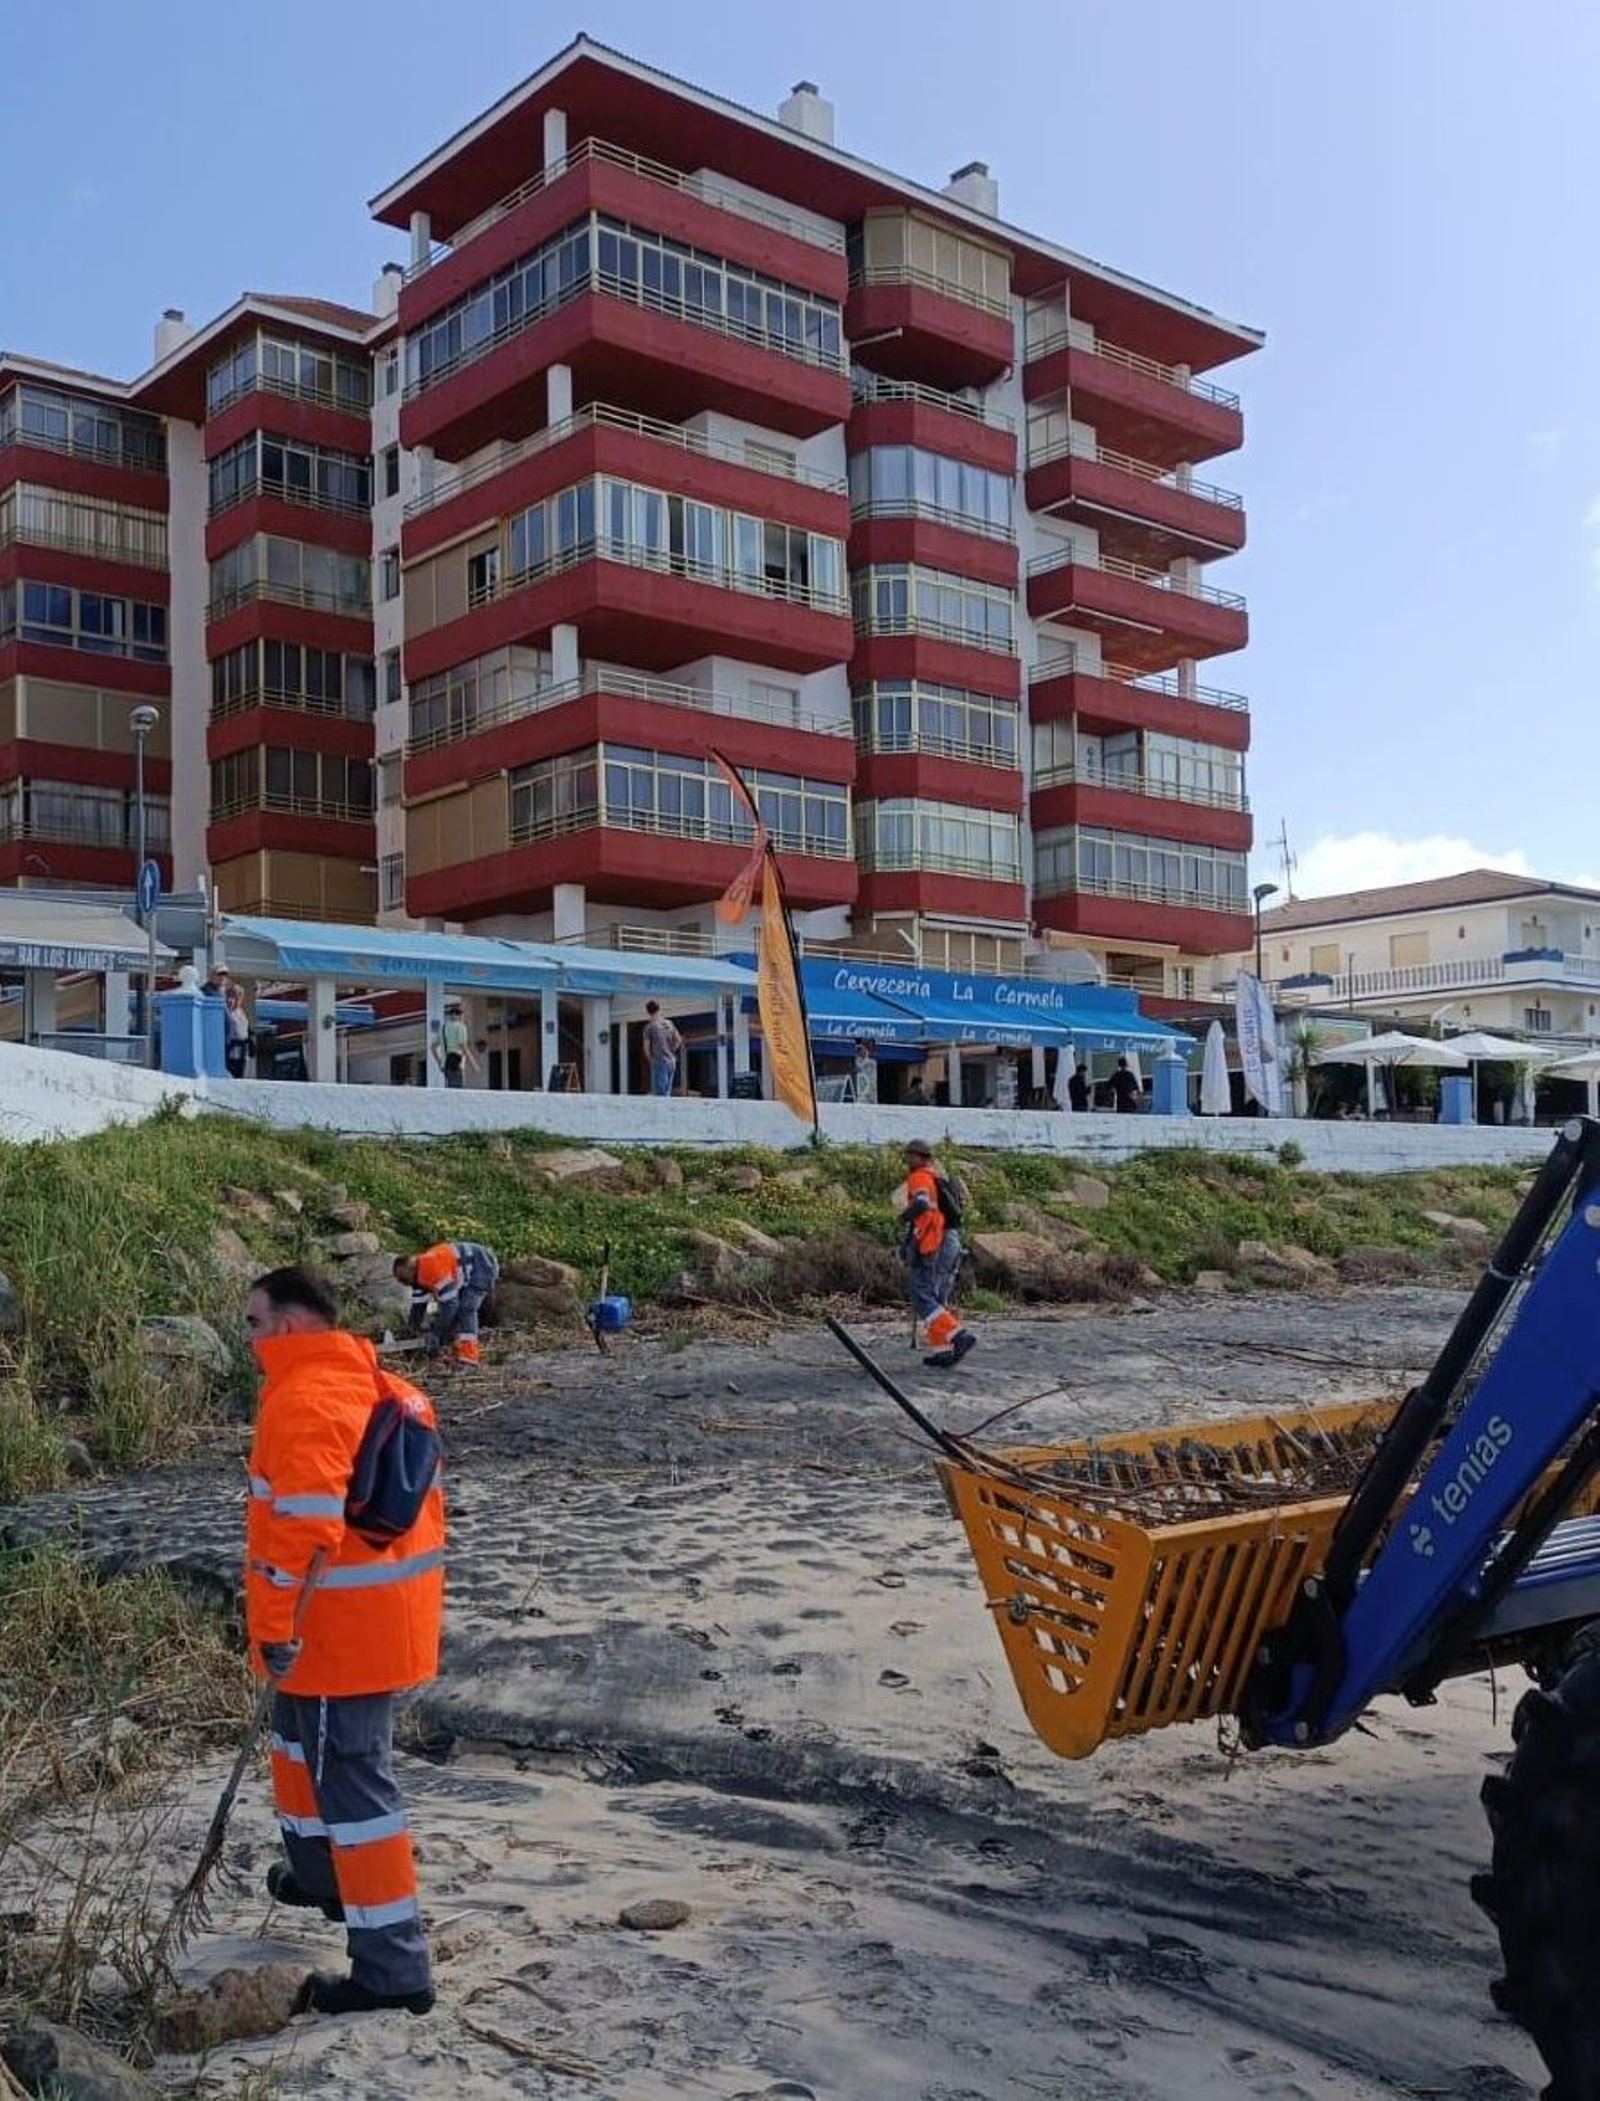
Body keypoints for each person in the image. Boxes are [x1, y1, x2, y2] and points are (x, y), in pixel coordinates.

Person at [243, 1266, 443, 2018]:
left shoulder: (307, 1398)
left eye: (254, 1322)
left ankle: (392, 1971)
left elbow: (304, 1530)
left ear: (290, 1326)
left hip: (335, 1634)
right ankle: (322, 1876)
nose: (250, 1338)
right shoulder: (376, 1384)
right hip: (361, 1622)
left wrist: (271, 1630)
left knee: (357, 1794)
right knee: (299, 1752)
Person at [898, 1140, 976, 1371]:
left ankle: (958, 1335)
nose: (907, 1159)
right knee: (937, 1295)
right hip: (949, 1240)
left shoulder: (920, 1177)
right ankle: (943, 1350)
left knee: (922, 1294)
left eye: (910, 1155)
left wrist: (903, 1216)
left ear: (920, 1157)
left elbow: (921, 1205)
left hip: (936, 1242)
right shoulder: (937, 1178)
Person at [392, 1239, 500, 1366]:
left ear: (410, 1269)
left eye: (402, 1278)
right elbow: (418, 1308)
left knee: (466, 1309)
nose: (401, 1282)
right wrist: (410, 1333)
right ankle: (453, 1347)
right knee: (449, 1312)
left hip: (482, 1265)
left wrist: (435, 1333)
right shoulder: (418, 1277)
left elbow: (450, 1307)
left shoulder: (434, 1270)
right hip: (466, 1269)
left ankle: (469, 1356)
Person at [642, 1000, 683, 1097]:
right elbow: (678, 1040)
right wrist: (671, 1051)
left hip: (659, 1060)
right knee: (667, 1091)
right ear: (659, 1009)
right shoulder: (669, 1024)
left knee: (660, 1094)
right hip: (671, 1061)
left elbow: (646, 1048)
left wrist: (651, 1060)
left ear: (648, 1012)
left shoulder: (649, 1027)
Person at [433, 1002, 477, 1089]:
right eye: (460, 1014)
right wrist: (474, 1064)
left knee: (450, 1086)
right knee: (457, 1089)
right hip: (456, 1062)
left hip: (446, 1063)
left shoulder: (443, 1028)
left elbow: (433, 1047)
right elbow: (463, 1046)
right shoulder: (461, 1027)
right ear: (458, 1015)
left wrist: (439, 1062)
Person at [223, 983, 252, 1079]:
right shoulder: (225, 1012)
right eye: (229, 995)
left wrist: (250, 1042)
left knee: (240, 1075)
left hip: (242, 1050)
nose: (231, 999)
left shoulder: (241, 1012)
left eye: (235, 996)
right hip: (230, 1049)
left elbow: (246, 1028)